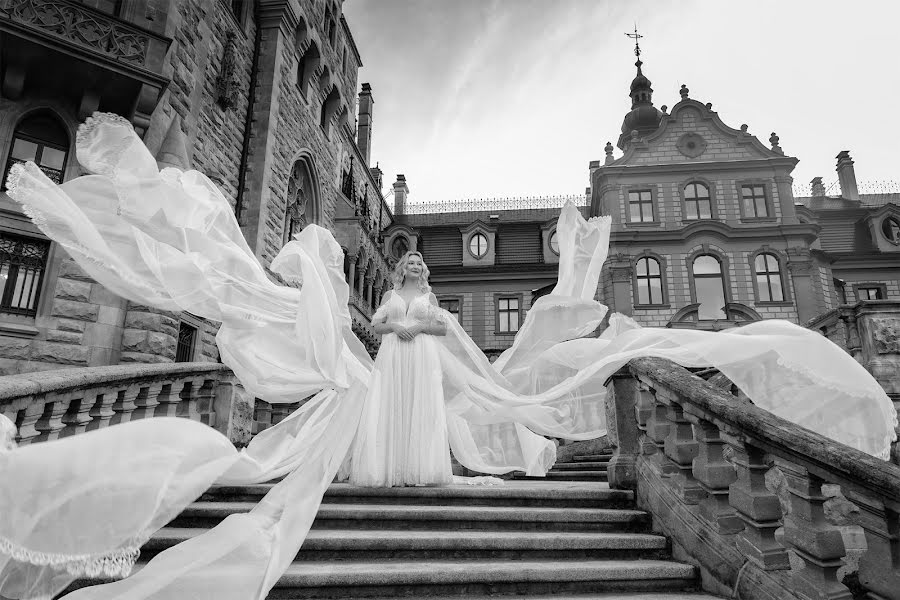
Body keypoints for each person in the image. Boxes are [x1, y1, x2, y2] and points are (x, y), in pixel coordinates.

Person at [0, 113, 895, 600]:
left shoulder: (422, 302)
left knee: (430, 428)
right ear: (415, 265)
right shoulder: (398, 294)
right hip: (398, 372)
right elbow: (384, 327)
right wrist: (408, 328)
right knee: (389, 430)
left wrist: (424, 331)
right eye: (421, 262)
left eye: (424, 264)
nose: (421, 269)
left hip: (419, 374)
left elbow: (449, 335)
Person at [349, 251, 453, 487]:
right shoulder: (390, 294)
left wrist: (419, 327)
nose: (415, 266)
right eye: (410, 263)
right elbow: (376, 325)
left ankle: (419, 469)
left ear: (423, 269)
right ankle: (391, 468)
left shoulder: (429, 297)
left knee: (419, 404)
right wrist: (395, 326)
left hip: (421, 354)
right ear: (403, 269)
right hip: (393, 353)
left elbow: (442, 329)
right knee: (392, 403)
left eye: (419, 263)